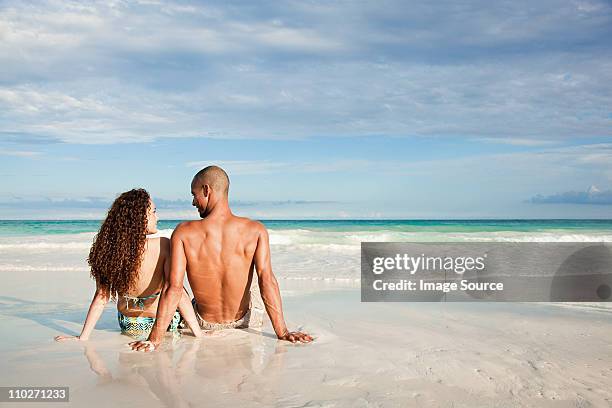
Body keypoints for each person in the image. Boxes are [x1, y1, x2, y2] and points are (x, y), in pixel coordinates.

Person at [130, 166, 312, 352]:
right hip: (247, 320)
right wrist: (283, 332)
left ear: (207, 190)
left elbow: (174, 288)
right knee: (261, 279)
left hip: (203, 323)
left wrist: (154, 340)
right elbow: (267, 280)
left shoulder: (183, 233)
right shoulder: (256, 230)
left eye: (194, 194)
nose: (193, 202)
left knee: (177, 288)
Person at [55, 188, 201, 342]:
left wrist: (82, 337)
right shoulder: (163, 245)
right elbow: (178, 294)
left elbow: (101, 297)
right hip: (162, 325)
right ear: (141, 217)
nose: (157, 217)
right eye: (153, 212)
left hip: (128, 325)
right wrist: (199, 334)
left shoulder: (110, 251)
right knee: (182, 292)